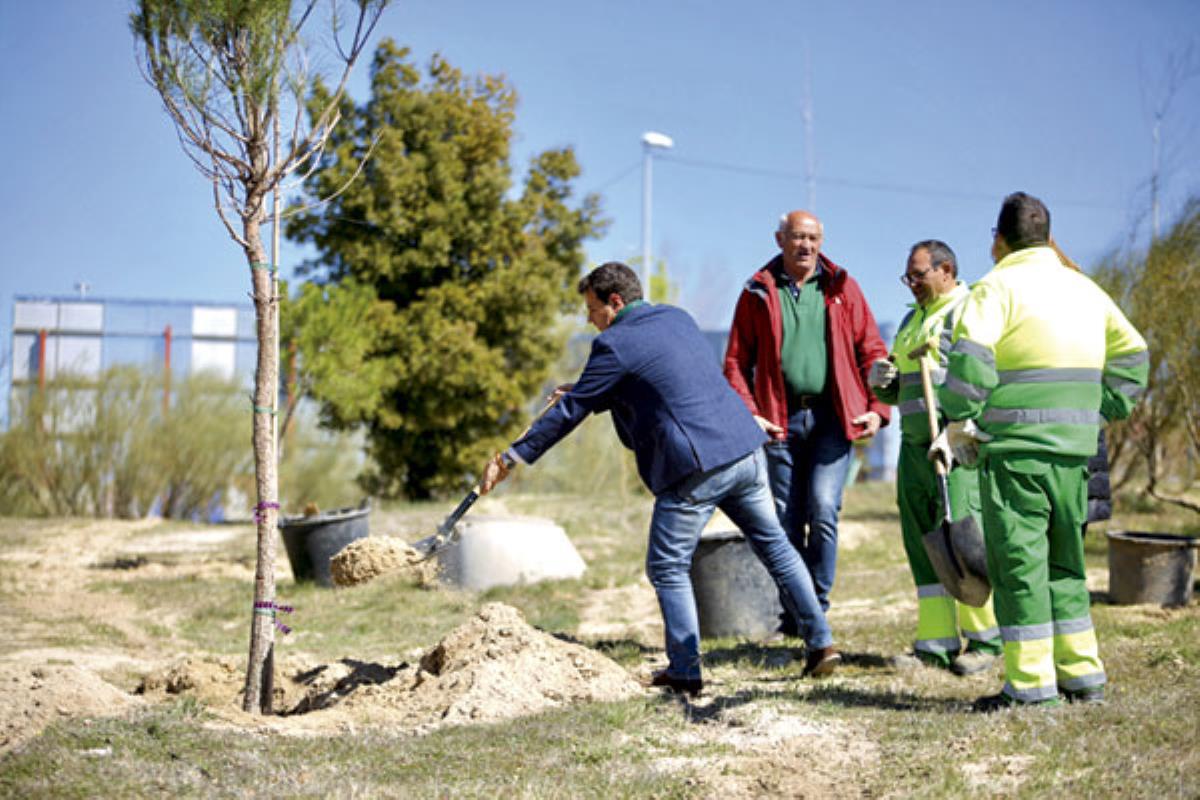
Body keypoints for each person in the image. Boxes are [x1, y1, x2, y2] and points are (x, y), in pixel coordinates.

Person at [480, 261, 840, 696]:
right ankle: (821, 643)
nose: (590, 320)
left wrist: (511, 457)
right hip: (744, 450)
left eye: (592, 310)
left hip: (696, 466)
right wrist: (582, 389)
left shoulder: (613, 345)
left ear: (615, 302)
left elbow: (570, 414)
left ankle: (686, 671)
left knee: (667, 566)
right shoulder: (675, 317)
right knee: (776, 547)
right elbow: (655, 376)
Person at [935, 192, 1148, 711]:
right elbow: (1135, 353)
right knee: (1066, 566)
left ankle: (1030, 689)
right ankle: (1083, 677)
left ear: (998, 239)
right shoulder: (1085, 289)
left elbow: (971, 369)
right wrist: (1103, 407)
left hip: (1016, 457)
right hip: (1074, 455)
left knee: (1020, 567)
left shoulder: (995, 288)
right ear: (1046, 235)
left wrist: (960, 419)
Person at [724, 210, 890, 627]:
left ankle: (816, 612)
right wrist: (751, 415)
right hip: (780, 422)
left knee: (823, 509)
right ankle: (794, 617)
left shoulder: (842, 288)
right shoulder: (757, 292)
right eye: (798, 237)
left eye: (813, 238)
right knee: (786, 519)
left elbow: (871, 351)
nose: (807, 245)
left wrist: (879, 407)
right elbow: (735, 363)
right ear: (780, 238)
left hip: (834, 418)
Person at [867, 240, 1002, 676]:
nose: (912, 285)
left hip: (953, 446)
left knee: (964, 539)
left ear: (946, 269)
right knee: (923, 544)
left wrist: (958, 433)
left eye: (918, 275)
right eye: (907, 277)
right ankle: (937, 644)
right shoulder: (911, 320)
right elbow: (901, 390)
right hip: (912, 449)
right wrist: (882, 383)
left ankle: (987, 642)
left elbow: (979, 379)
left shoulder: (966, 311)